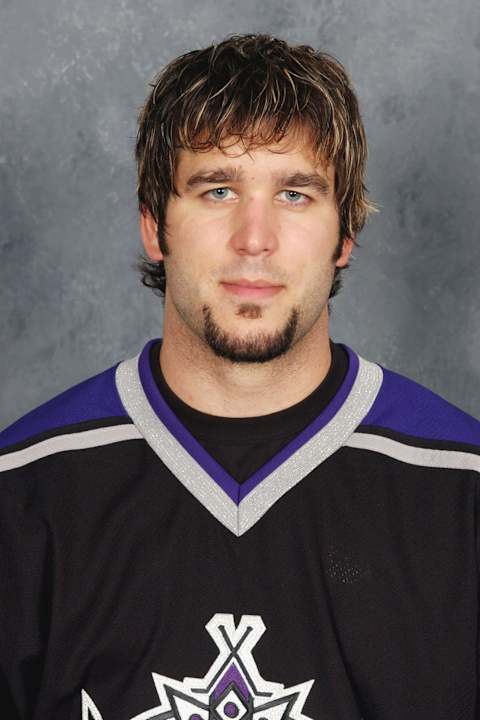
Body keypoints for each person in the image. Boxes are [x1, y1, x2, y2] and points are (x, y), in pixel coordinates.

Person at [0, 33, 478, 720]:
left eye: (295, 194)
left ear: (345, 235)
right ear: (154, 226)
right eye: (217, 188)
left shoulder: (461, 492)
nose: (254, 239)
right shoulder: (24, 497)